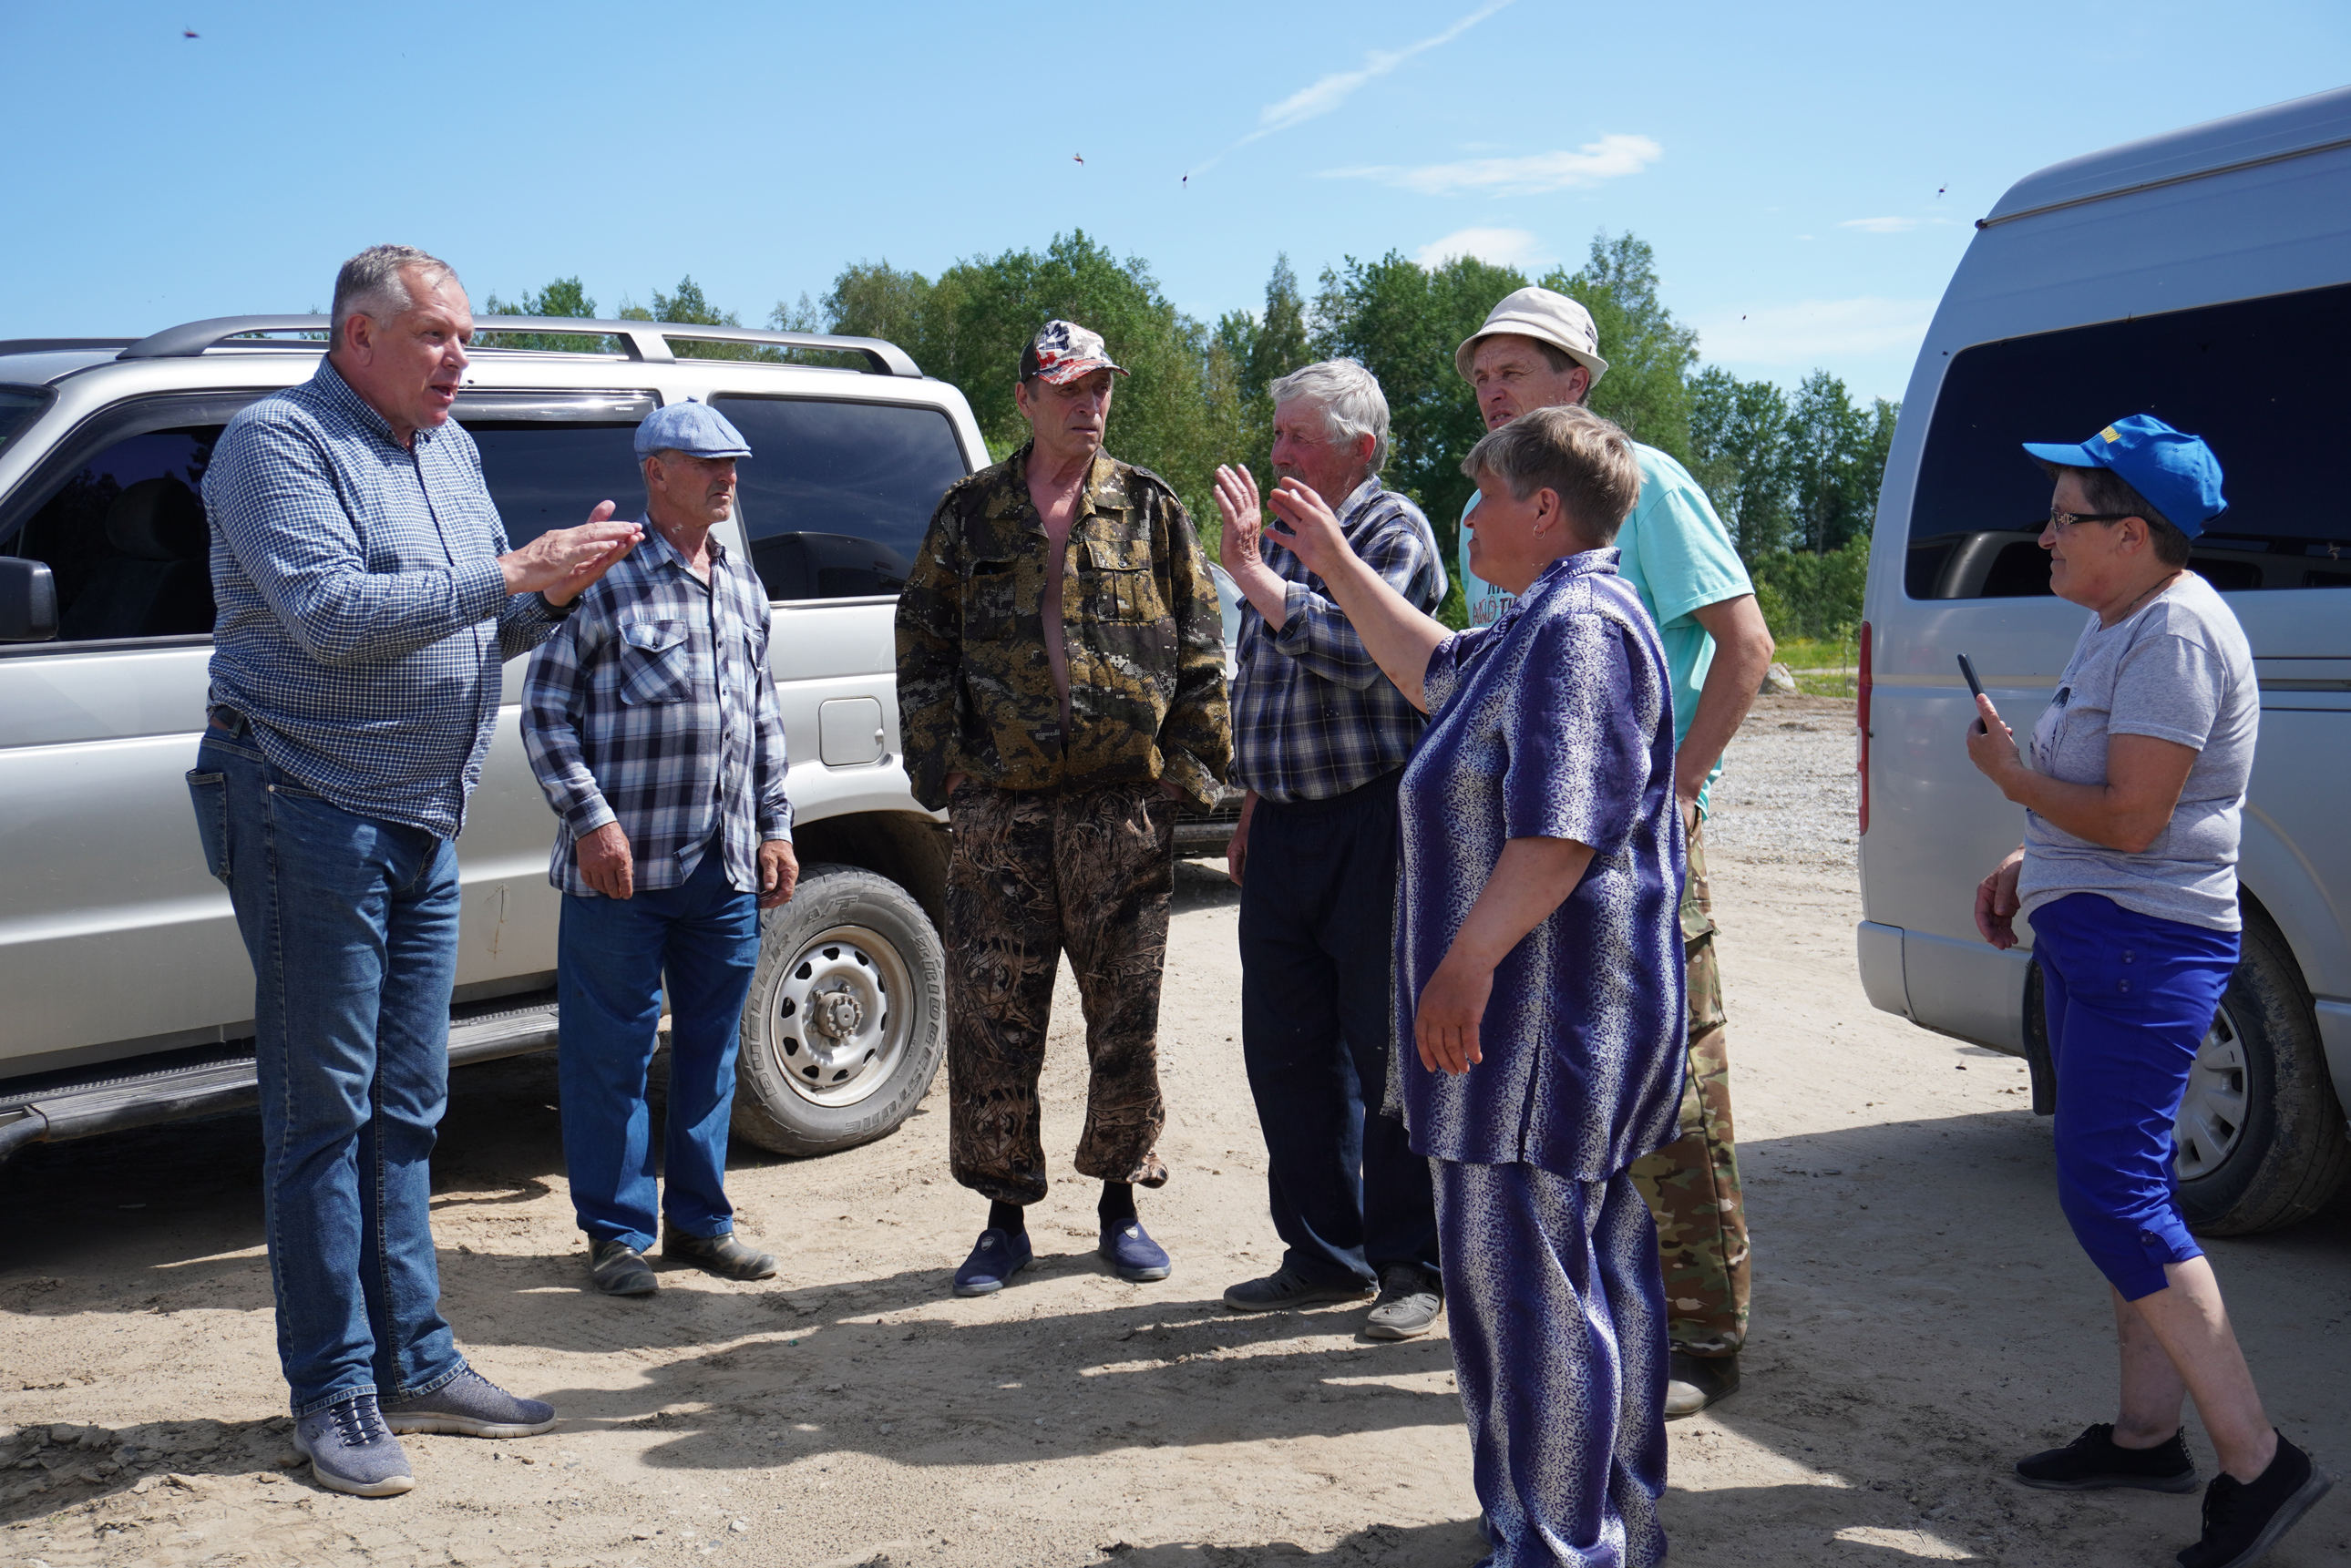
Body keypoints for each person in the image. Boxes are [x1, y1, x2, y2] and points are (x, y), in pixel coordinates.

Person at [190, 244, 642, 1497]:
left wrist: (549, 594)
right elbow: (332, 617)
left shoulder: (450, 450)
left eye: (467, 336)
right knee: (321, 1111)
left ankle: (418, 1358)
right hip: (302, 801)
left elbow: (474, 624)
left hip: (416, 815)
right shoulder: (275, 444)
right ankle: (332, 1391)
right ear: (358, 339)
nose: (461, 357)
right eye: (437, 335)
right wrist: (508, 570)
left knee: (408, 1103)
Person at [1265, 404, 1685, 1567]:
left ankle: (1560, 1542)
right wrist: (1334, 561)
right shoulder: (1534, 623)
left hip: (1540, 1028)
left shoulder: (1581, 628)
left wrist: (1463, 962)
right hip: (1541, 1026)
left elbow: (1562, 830)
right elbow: (1426, 669)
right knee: (1576, 1274)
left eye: (1486, 495)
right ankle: (1596, 1525)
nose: (1468, 515)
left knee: (1529, 1294)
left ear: (1543, 507)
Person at [1966, 415, 2329, 1568]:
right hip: (2106, 931)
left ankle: (2261, 1460)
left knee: (2119, 1200)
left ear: (2132, 533)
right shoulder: (2124, 620)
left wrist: (2012, 778)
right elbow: (2123, 805)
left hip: (2143, 945)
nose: (2045, 534)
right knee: (2119, 1187)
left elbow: (2135, 818)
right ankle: (2144, 1433)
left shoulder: (2171, 632)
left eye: (2067, 518)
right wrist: (2032, 856)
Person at [1453, 286, 1772, 1416]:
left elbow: (1745, 646)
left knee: (1669, 1084)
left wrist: (1677, 793)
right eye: (1483, 373)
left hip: (1634, 851)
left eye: (1517, 370)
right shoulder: (1487, 513)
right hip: (1536, 846)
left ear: (1577, 381)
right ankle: (1600, 1306)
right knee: (1567, 1075)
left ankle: (1703, 1337)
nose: (1493, 388)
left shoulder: (1649, 488)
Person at [895, 320, 1232, 1296]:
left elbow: (1204, 648)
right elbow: (921, 643)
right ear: (1027, 400)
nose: (1090, 405)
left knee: (1125, 1013)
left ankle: (1121, 1203)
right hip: (1001, 809)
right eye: (1071, 389)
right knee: (994, 1021)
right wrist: (944, 770)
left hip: (1120, 809)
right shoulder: (969, 513)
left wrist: (1183, 777)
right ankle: (1004, 1219)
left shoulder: (1151, 509)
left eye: (1100, 389)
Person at [520, 401, 798, 1299]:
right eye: (706, 461)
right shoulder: (603, 579)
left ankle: (701, 1223)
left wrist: (777, 825)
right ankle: (615, 1233)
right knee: (612, 1054)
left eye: (733, 463)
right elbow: (545, 712)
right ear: (656, 472)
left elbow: (762, 719)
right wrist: (593, 821)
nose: (727, 476)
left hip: (721, 867)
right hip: (622, 873)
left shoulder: (743, 585)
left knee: (714, 1050)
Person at [1208, 360, 1448, 1337]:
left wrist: (1260, 582)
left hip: (1376, 819)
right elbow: (1264, 691)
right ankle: (1321, 1251)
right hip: (1286, 824)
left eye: (1297, 438)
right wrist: (1253, 807)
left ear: (1361, 447)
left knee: (1386, 1048)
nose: (1277, 455)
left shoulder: (1391, 530)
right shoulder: (1281, 539)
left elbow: (1368, 660)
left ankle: (1409, 1263)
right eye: (1277, 437)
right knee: (1287, 1049)